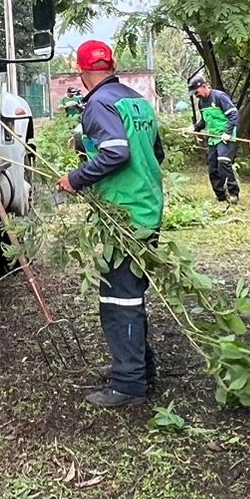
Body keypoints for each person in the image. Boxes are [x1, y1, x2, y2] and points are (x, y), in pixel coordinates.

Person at [57, 39, 164, 408]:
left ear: (83, 71)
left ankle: (129, 385)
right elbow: (155, 152)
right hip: (147, 208)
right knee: (130, 294)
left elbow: (117, 151)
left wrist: (77, 178)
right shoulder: (136, 100)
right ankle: (139, 367)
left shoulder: (98, 102)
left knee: (120, 301)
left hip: (127, 216)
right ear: (112, 66)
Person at [190, 73, 241, 204]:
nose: (196, 95)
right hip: (213, 137)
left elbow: (233, 114)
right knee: (212, 167)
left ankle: (233, 193)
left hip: (225, 136)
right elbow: (204, 121)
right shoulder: (201, 103)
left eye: (196, 92)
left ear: (204, 86)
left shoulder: (219, 97)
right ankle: (221, 196)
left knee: (223, 161)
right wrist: (194, 128)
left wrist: (228, 132)